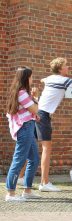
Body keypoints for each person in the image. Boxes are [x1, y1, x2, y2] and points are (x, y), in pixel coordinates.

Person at [36, 57, 72, 192]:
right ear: (60, 69)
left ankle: (22, 177)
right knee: (47, 148)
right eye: (66, 65)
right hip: (43, 115)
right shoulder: (63, 80)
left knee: (30, 147)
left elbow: (43, 80)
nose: (68, 67)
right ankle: (44, 183)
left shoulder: (50, 78)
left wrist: (44, 81)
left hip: (38, 113)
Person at [5, 67, 41, 201]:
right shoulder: (22, 93)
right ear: (26, 78)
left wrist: (34, 98)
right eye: (31, 77)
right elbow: (36, 109)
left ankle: (27, 190)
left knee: (34, 159)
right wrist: (36, 97)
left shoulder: (22, 93)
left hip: (28, 127)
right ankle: (10, 193)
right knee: (19, 159)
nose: (32, 79)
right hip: (25, 128)